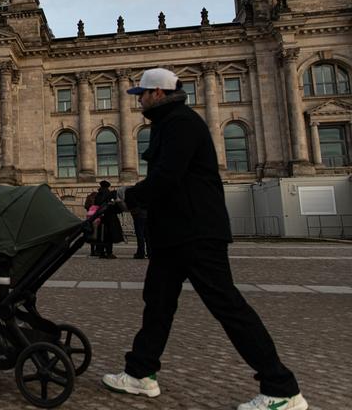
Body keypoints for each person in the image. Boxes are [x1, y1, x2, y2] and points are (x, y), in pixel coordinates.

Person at [101, 68, 307, 410]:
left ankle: (281, 389)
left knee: (227, 306)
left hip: (195, 232)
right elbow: (167, 180)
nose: (139, 101)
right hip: (174, 233)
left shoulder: (182, 123)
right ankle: (140, 373)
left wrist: (127, 195)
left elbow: (168, 177)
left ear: (158, 93)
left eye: (142, 94)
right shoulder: (168, 123)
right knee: (158, 303)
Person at [84, 180, 123, 258]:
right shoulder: (110, 194)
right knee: (109, 236)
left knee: (101, 235)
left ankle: (101, 252)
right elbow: (115, 207)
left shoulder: (98, 195)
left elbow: (95, 205)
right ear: (108, 186)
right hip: (110, 218)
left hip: (100, 218)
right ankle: (109, 252)